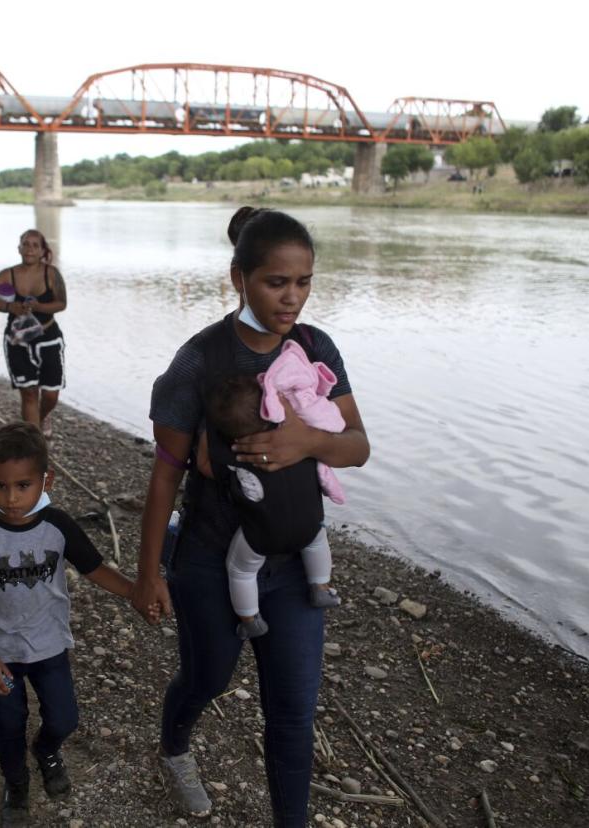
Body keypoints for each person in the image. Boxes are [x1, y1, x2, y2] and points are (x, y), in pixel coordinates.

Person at [129, 207, 370, 825]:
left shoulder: (316, 349)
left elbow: (357, 446)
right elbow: (165, 475)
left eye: (304, 282)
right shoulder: (199, 361)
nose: (292, 298)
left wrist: (306, 441)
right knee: (207, 677)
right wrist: (148, 572)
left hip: (292, 563)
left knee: (293, 710)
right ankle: (175, 747)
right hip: (211, 559)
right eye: (276, 282)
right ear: (239, 277)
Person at [0, 422, 135, 827]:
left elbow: (95, 569)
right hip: (1, 652)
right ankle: (16, 786)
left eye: (23, 485)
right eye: (0, 486)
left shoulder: (58, 526)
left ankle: (47, 749)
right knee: (8, 724)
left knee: (64, 718)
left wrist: (135, 593)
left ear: (45, 481)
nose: (12, 498)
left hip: (49, 645)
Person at [203, 364, 343, 641]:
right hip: (308, 526)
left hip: (263, 535)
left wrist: (206, 434)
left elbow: (205, 466)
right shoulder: (300, 443)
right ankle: (321, 588)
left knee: (240, 570)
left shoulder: (237, 457)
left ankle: (250, 619)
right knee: (318, 541)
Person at [0, 230, 67, 437]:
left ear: (43, 251)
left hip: (49, 339)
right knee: (29, 393)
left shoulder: (51, 274)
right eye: (25, 244)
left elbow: (61, 304)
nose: (30, 249)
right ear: (19, 248)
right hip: (18, 341)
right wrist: (9, 308)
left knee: (51, 395)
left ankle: (41, 418)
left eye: (35, 245)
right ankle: (34, 443)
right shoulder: (7, 274)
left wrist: (38, 306)